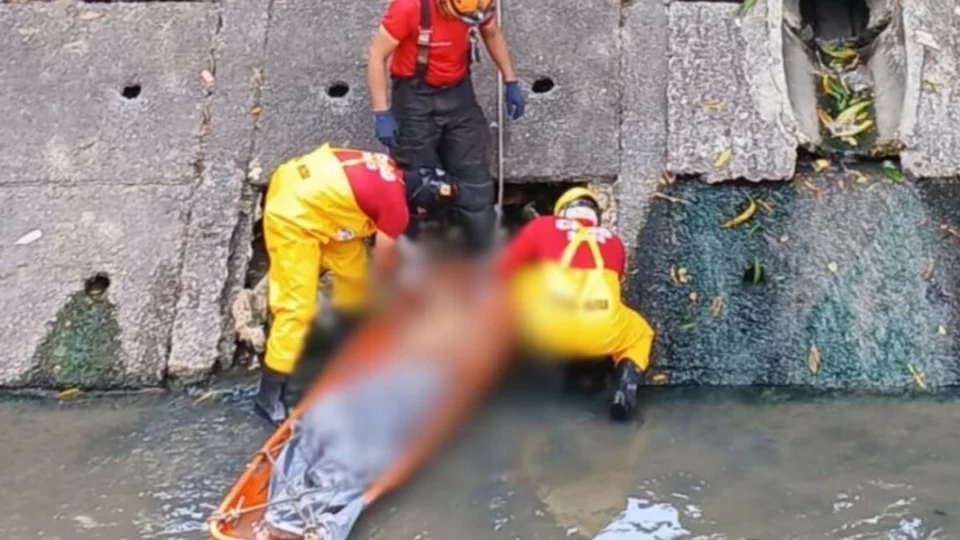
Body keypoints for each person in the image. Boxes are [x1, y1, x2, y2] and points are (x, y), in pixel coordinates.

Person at [254, 143, 457, 426]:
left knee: (357, 277)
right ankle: (269, 395)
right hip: (294, 215)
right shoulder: (396, 210)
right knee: (297, 308)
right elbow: (385, 265)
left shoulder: (390, 169)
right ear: (420, 203)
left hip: (307, 188)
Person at [366, 0, 525, 255]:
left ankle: (485, 256)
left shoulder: (476, 4)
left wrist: (510, 80)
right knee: (418, 183)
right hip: (414, 97)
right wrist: (381, 111)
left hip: (458, 92)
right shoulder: (410, 7)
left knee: (474, 179)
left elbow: (491, 32)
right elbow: (377, 54)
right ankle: (417, 262)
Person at [495, 187, 656, 422]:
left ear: (563, 211)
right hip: (600, 332)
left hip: (545, 330)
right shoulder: (613, 242)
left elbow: (504, 271)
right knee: (640, 334)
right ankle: (623, 390)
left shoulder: (543, 226)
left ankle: (507, 385)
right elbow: (615, 287)